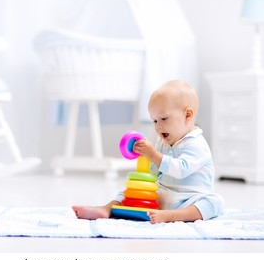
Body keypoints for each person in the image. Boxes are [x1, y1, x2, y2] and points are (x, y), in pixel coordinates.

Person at [72, 80, 224, 223]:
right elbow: (154, 172)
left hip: (190, 199)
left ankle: (172, 216)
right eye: (155, 120)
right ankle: (107, 209)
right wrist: (145, 158)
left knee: (213, 203)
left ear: (188, 115)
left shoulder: (196, 144)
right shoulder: (163, 142)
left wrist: (153, 154)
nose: (158, 126)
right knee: (127, 192)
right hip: (162, 196)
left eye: (164, 118)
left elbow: (180, 169)